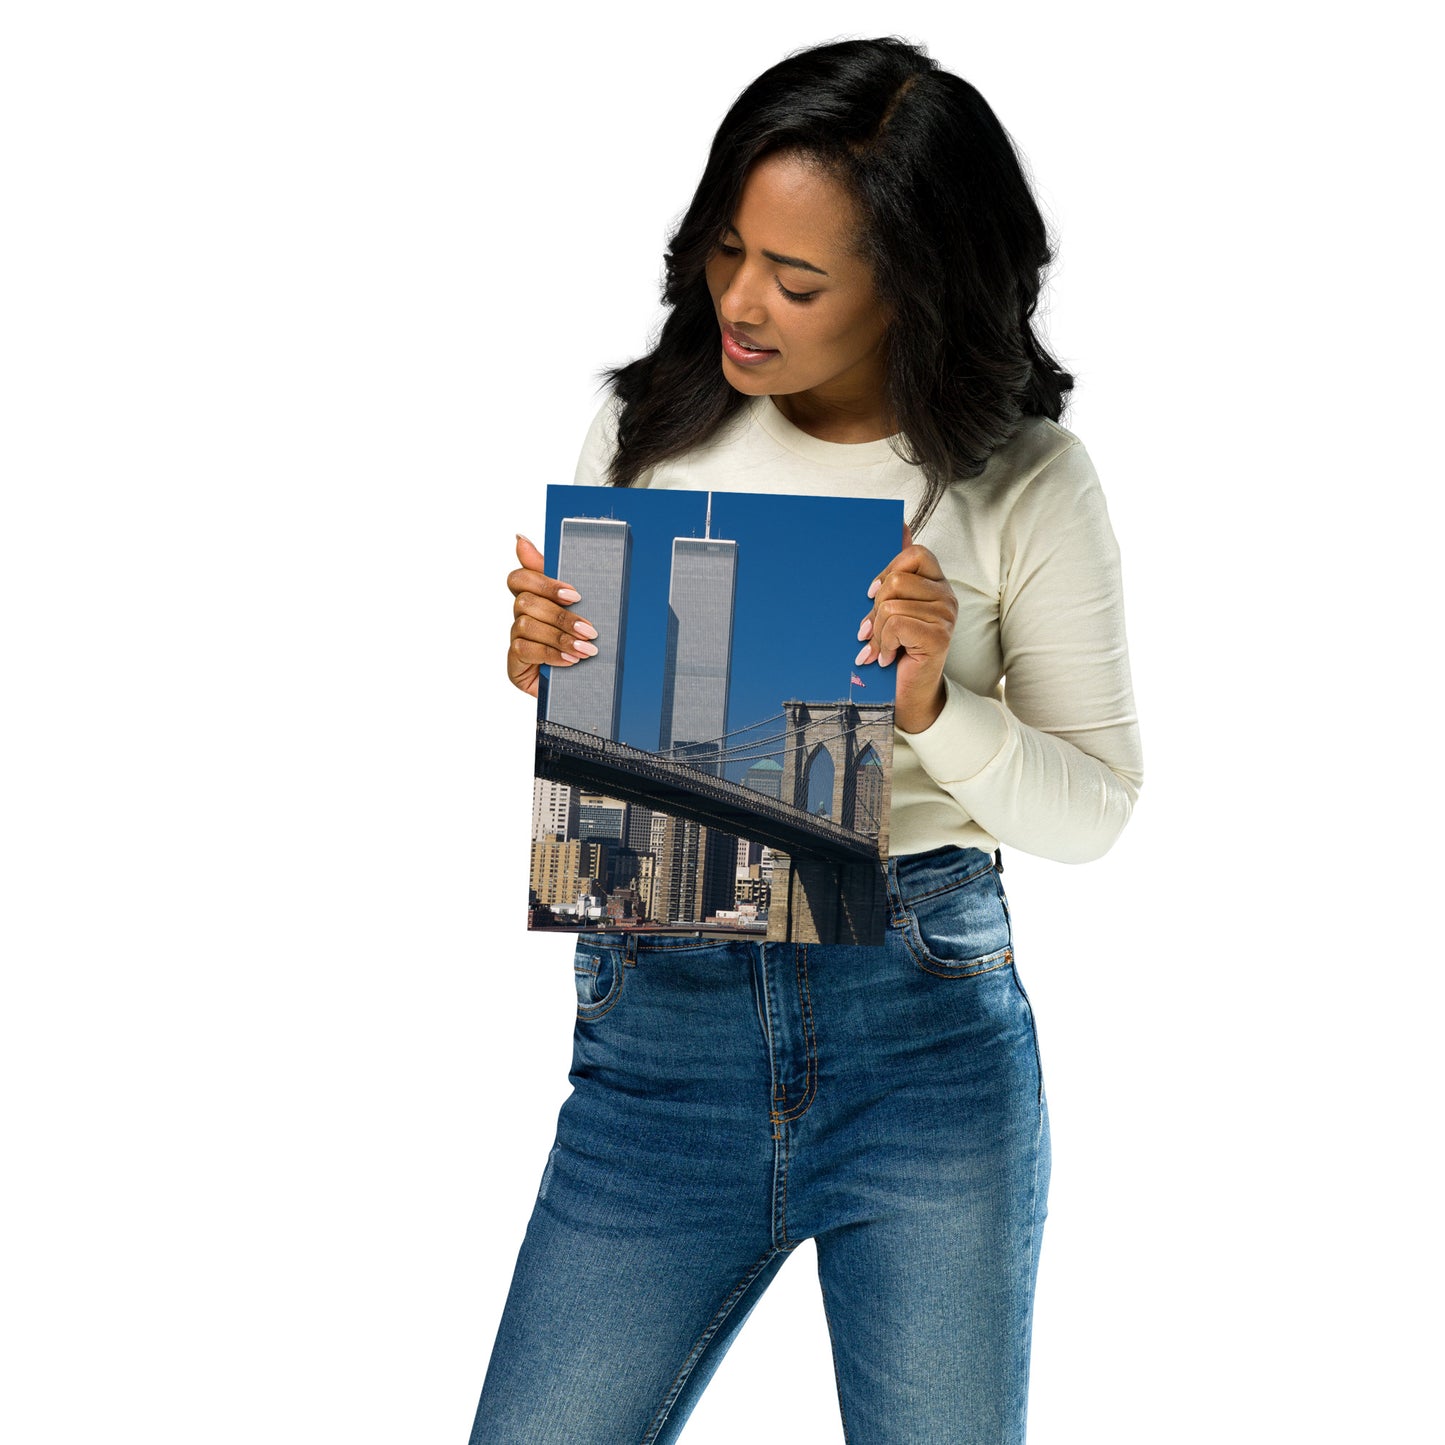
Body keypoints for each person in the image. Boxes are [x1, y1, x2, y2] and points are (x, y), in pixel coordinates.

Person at [476, 36, 1142, 1444]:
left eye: (796, 277)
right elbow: (623, 755)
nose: (740, 302)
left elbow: (1093, 812)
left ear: (912, 280)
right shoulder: (644, 426)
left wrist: (931, 709)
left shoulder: (1021, 478)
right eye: (726, 252)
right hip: (656, 1041)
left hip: (921, 1042)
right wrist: (540, 665)